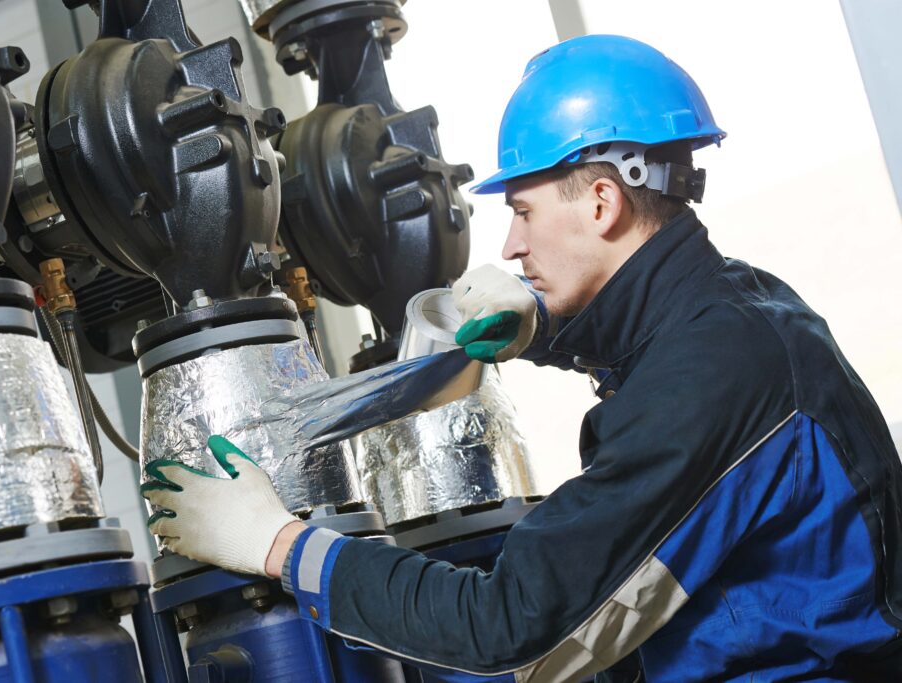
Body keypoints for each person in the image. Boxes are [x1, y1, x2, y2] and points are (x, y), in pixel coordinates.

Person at [141, 35, 902, 681]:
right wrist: (540, 329)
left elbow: (505, 623)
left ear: (601, 202)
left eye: (525, 211)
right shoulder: (738, 310)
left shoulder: (709, 377)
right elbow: (647, 336)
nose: (510, 246)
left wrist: (281, 544)